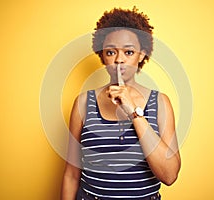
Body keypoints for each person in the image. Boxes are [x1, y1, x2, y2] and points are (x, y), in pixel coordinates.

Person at [61, 7, 181, 200]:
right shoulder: (83, 103)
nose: (119, 60)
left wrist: (133, 111)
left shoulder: (160, 102)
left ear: (141, 55)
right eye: (110, 52)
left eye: (128, 51)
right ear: (102, 55)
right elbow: (71, 174)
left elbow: (169, 175)